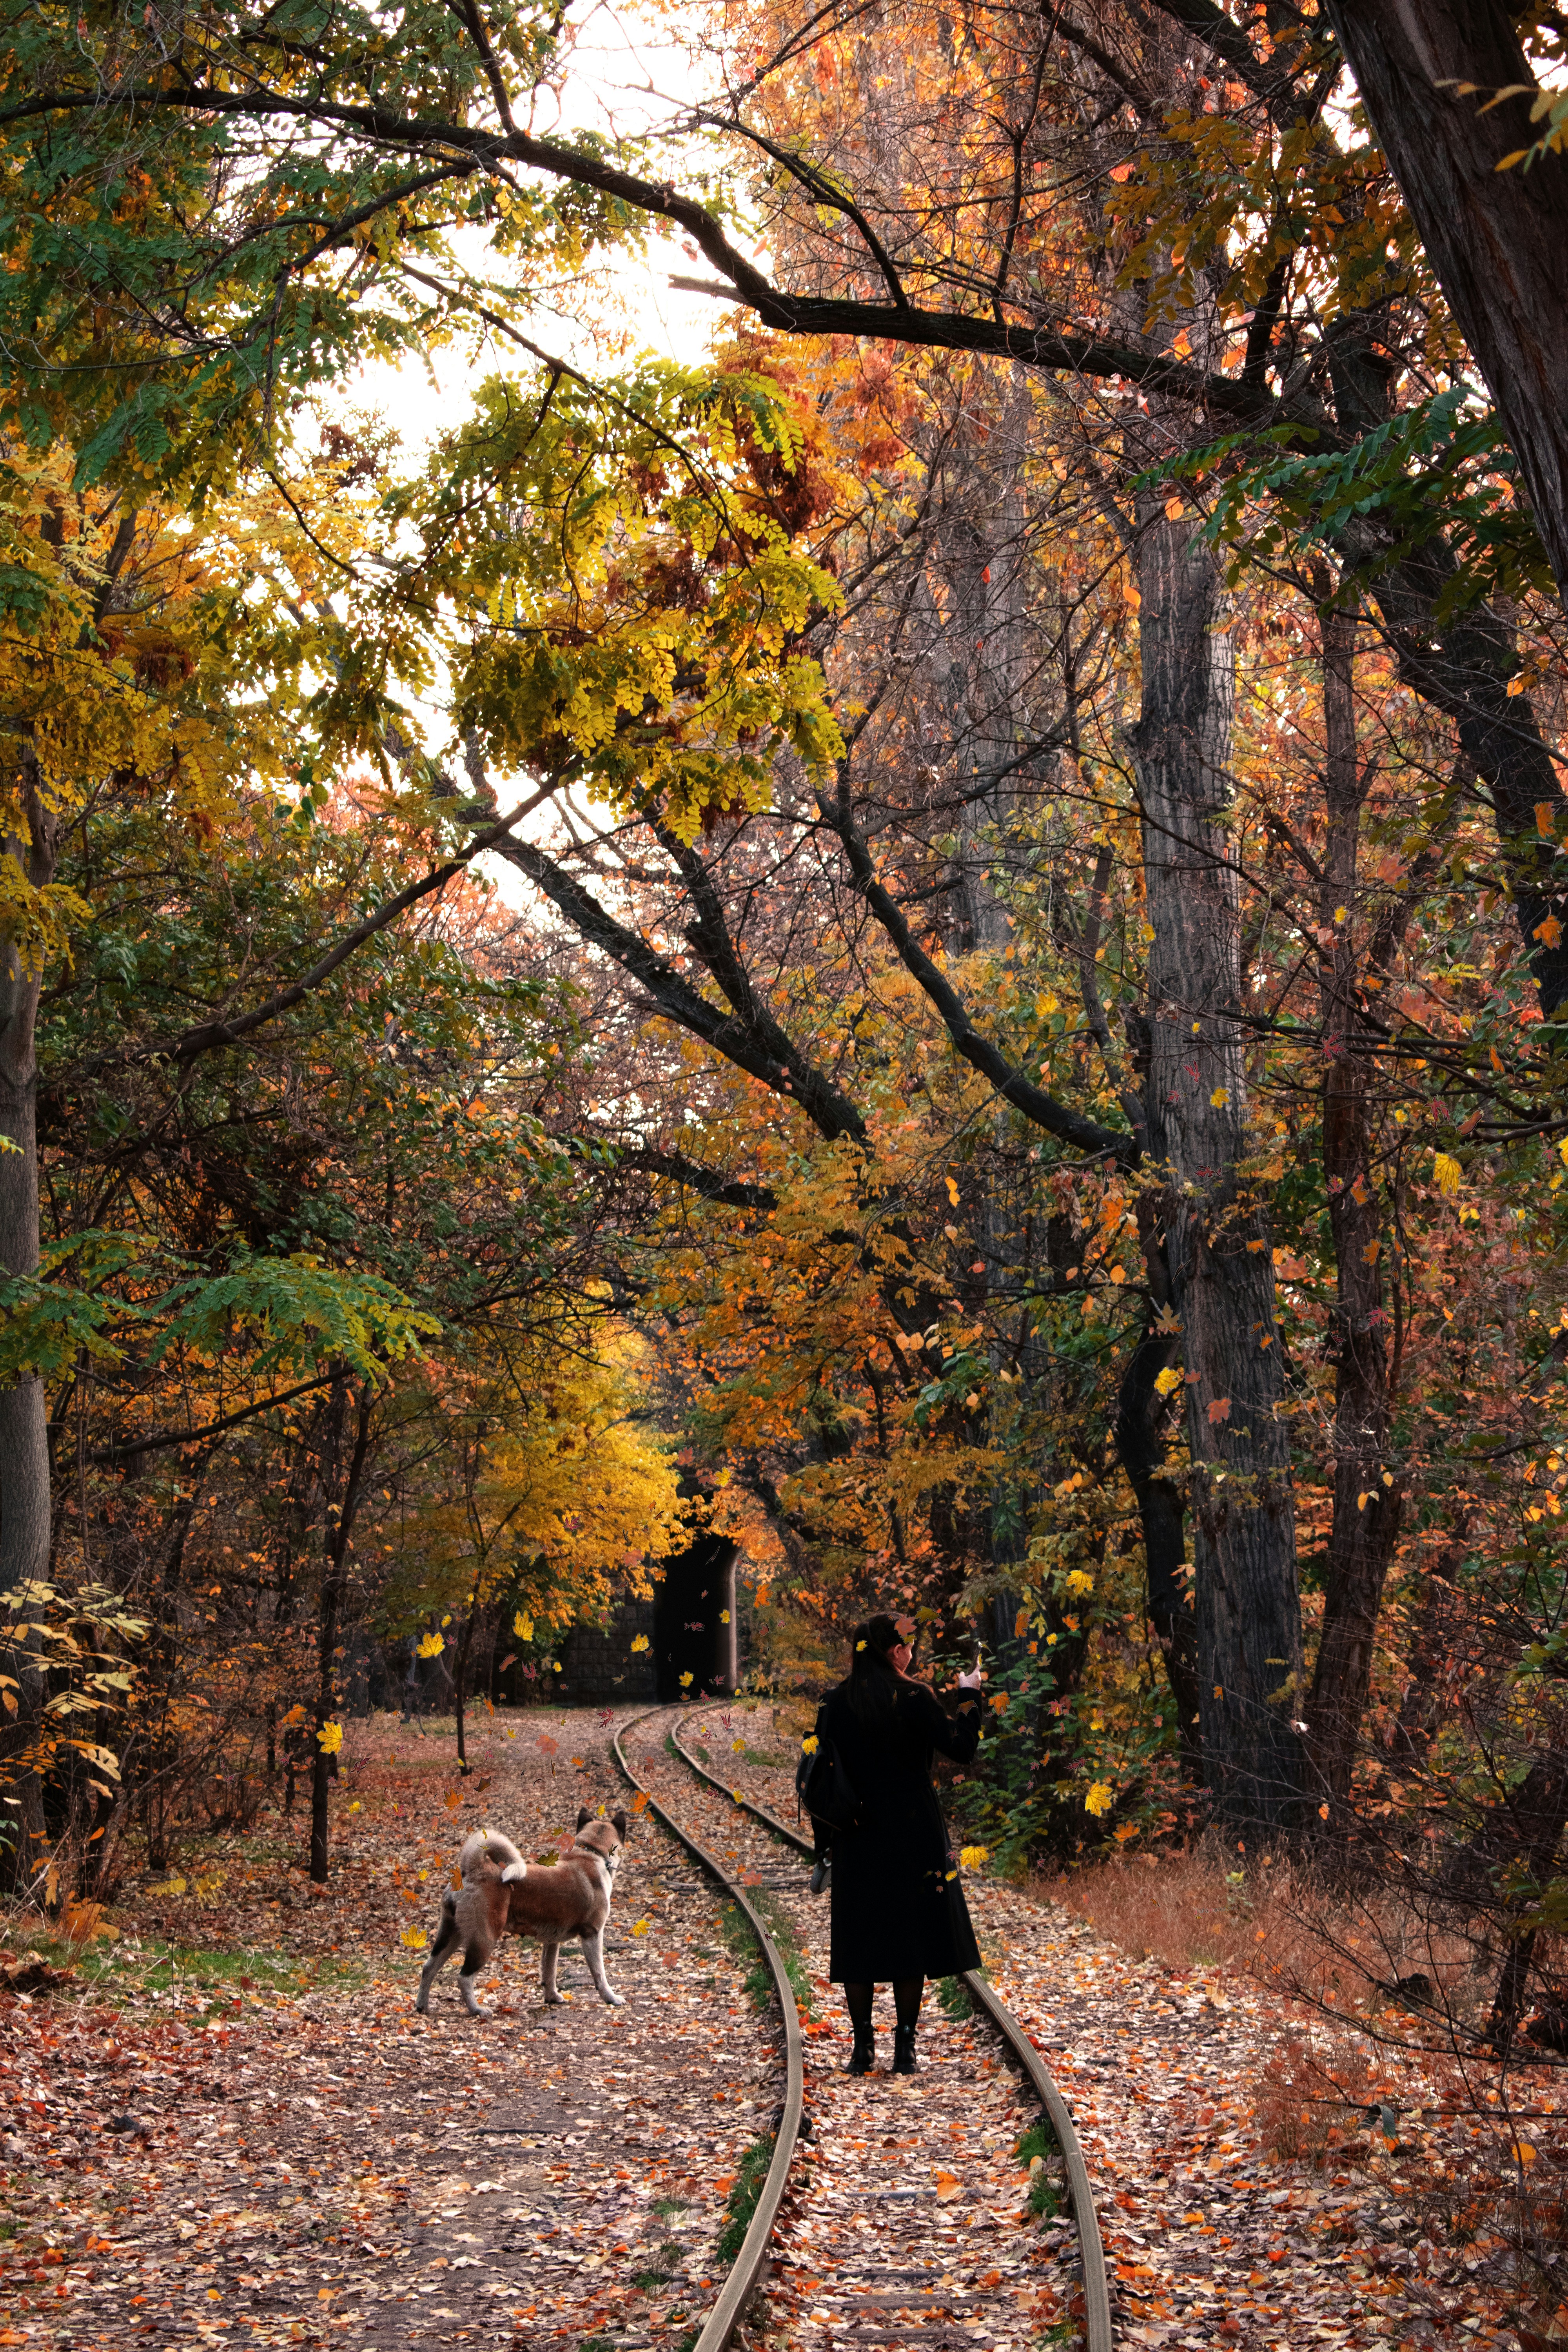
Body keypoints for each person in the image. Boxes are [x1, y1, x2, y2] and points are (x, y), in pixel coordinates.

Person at [809, 1612, 984, 2076]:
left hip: (857, 1829)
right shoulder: (914, 1697)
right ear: (895, 1651)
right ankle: (905, 2051)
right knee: (909, 1935)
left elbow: (820, 1771)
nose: (912, 1654)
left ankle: (862, 2048)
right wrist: (970, 1694)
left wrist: (824, 1843)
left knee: (859, 1936)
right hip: (913, 1829)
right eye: (908, 1646)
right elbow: (962, 1747)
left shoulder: (833, 1703)